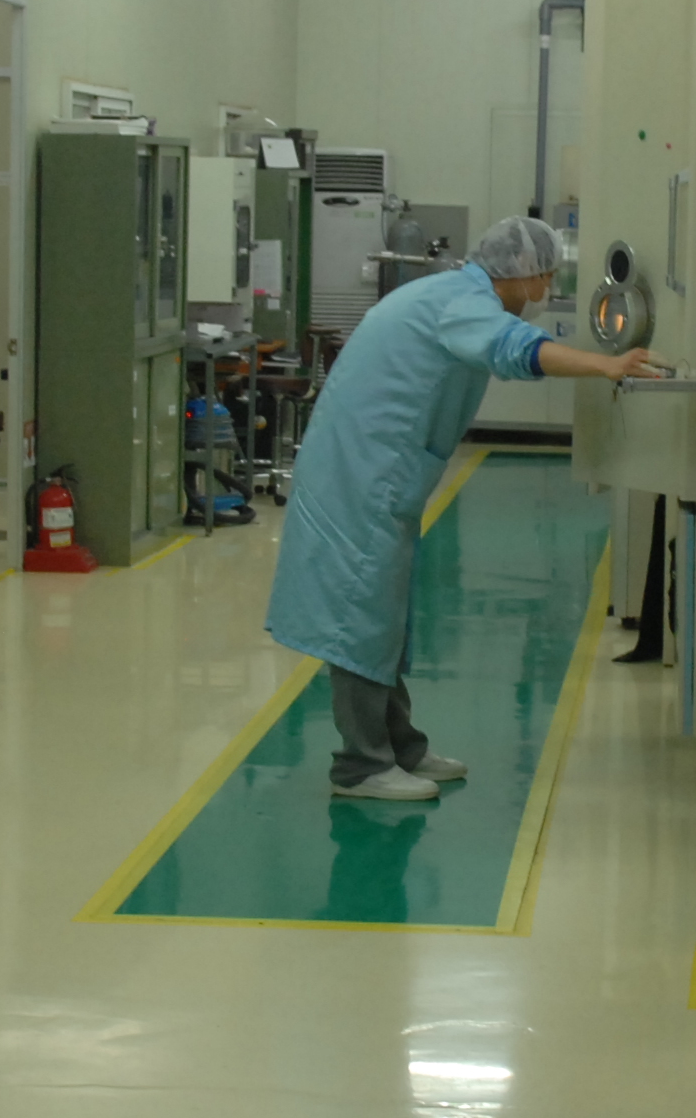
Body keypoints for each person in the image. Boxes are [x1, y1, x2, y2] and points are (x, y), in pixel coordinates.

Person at [266, 214, 665, 798]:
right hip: (360, 475)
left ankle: (400, 748)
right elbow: (513, 349)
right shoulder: (463, 304)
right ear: (521, 272)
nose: (547, 289)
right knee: (360, 620)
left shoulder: (452, 295)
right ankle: (360, 767)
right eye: (546, 276)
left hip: (375, 471)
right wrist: (606, 364)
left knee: (383, 618)